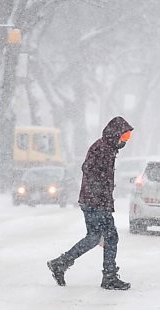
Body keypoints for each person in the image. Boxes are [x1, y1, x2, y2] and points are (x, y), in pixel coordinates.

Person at [47, 116, 133, 290]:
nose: (125, 141)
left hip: (93, 200)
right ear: (116, 134)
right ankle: (108, 277)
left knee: (94, 237)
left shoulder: (106, 147)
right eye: (124, 137)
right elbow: (88, 169)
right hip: (96, 202)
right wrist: (100, 191)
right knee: (109, 237)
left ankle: (61, 263)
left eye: (127, 138)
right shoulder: (103, 148)